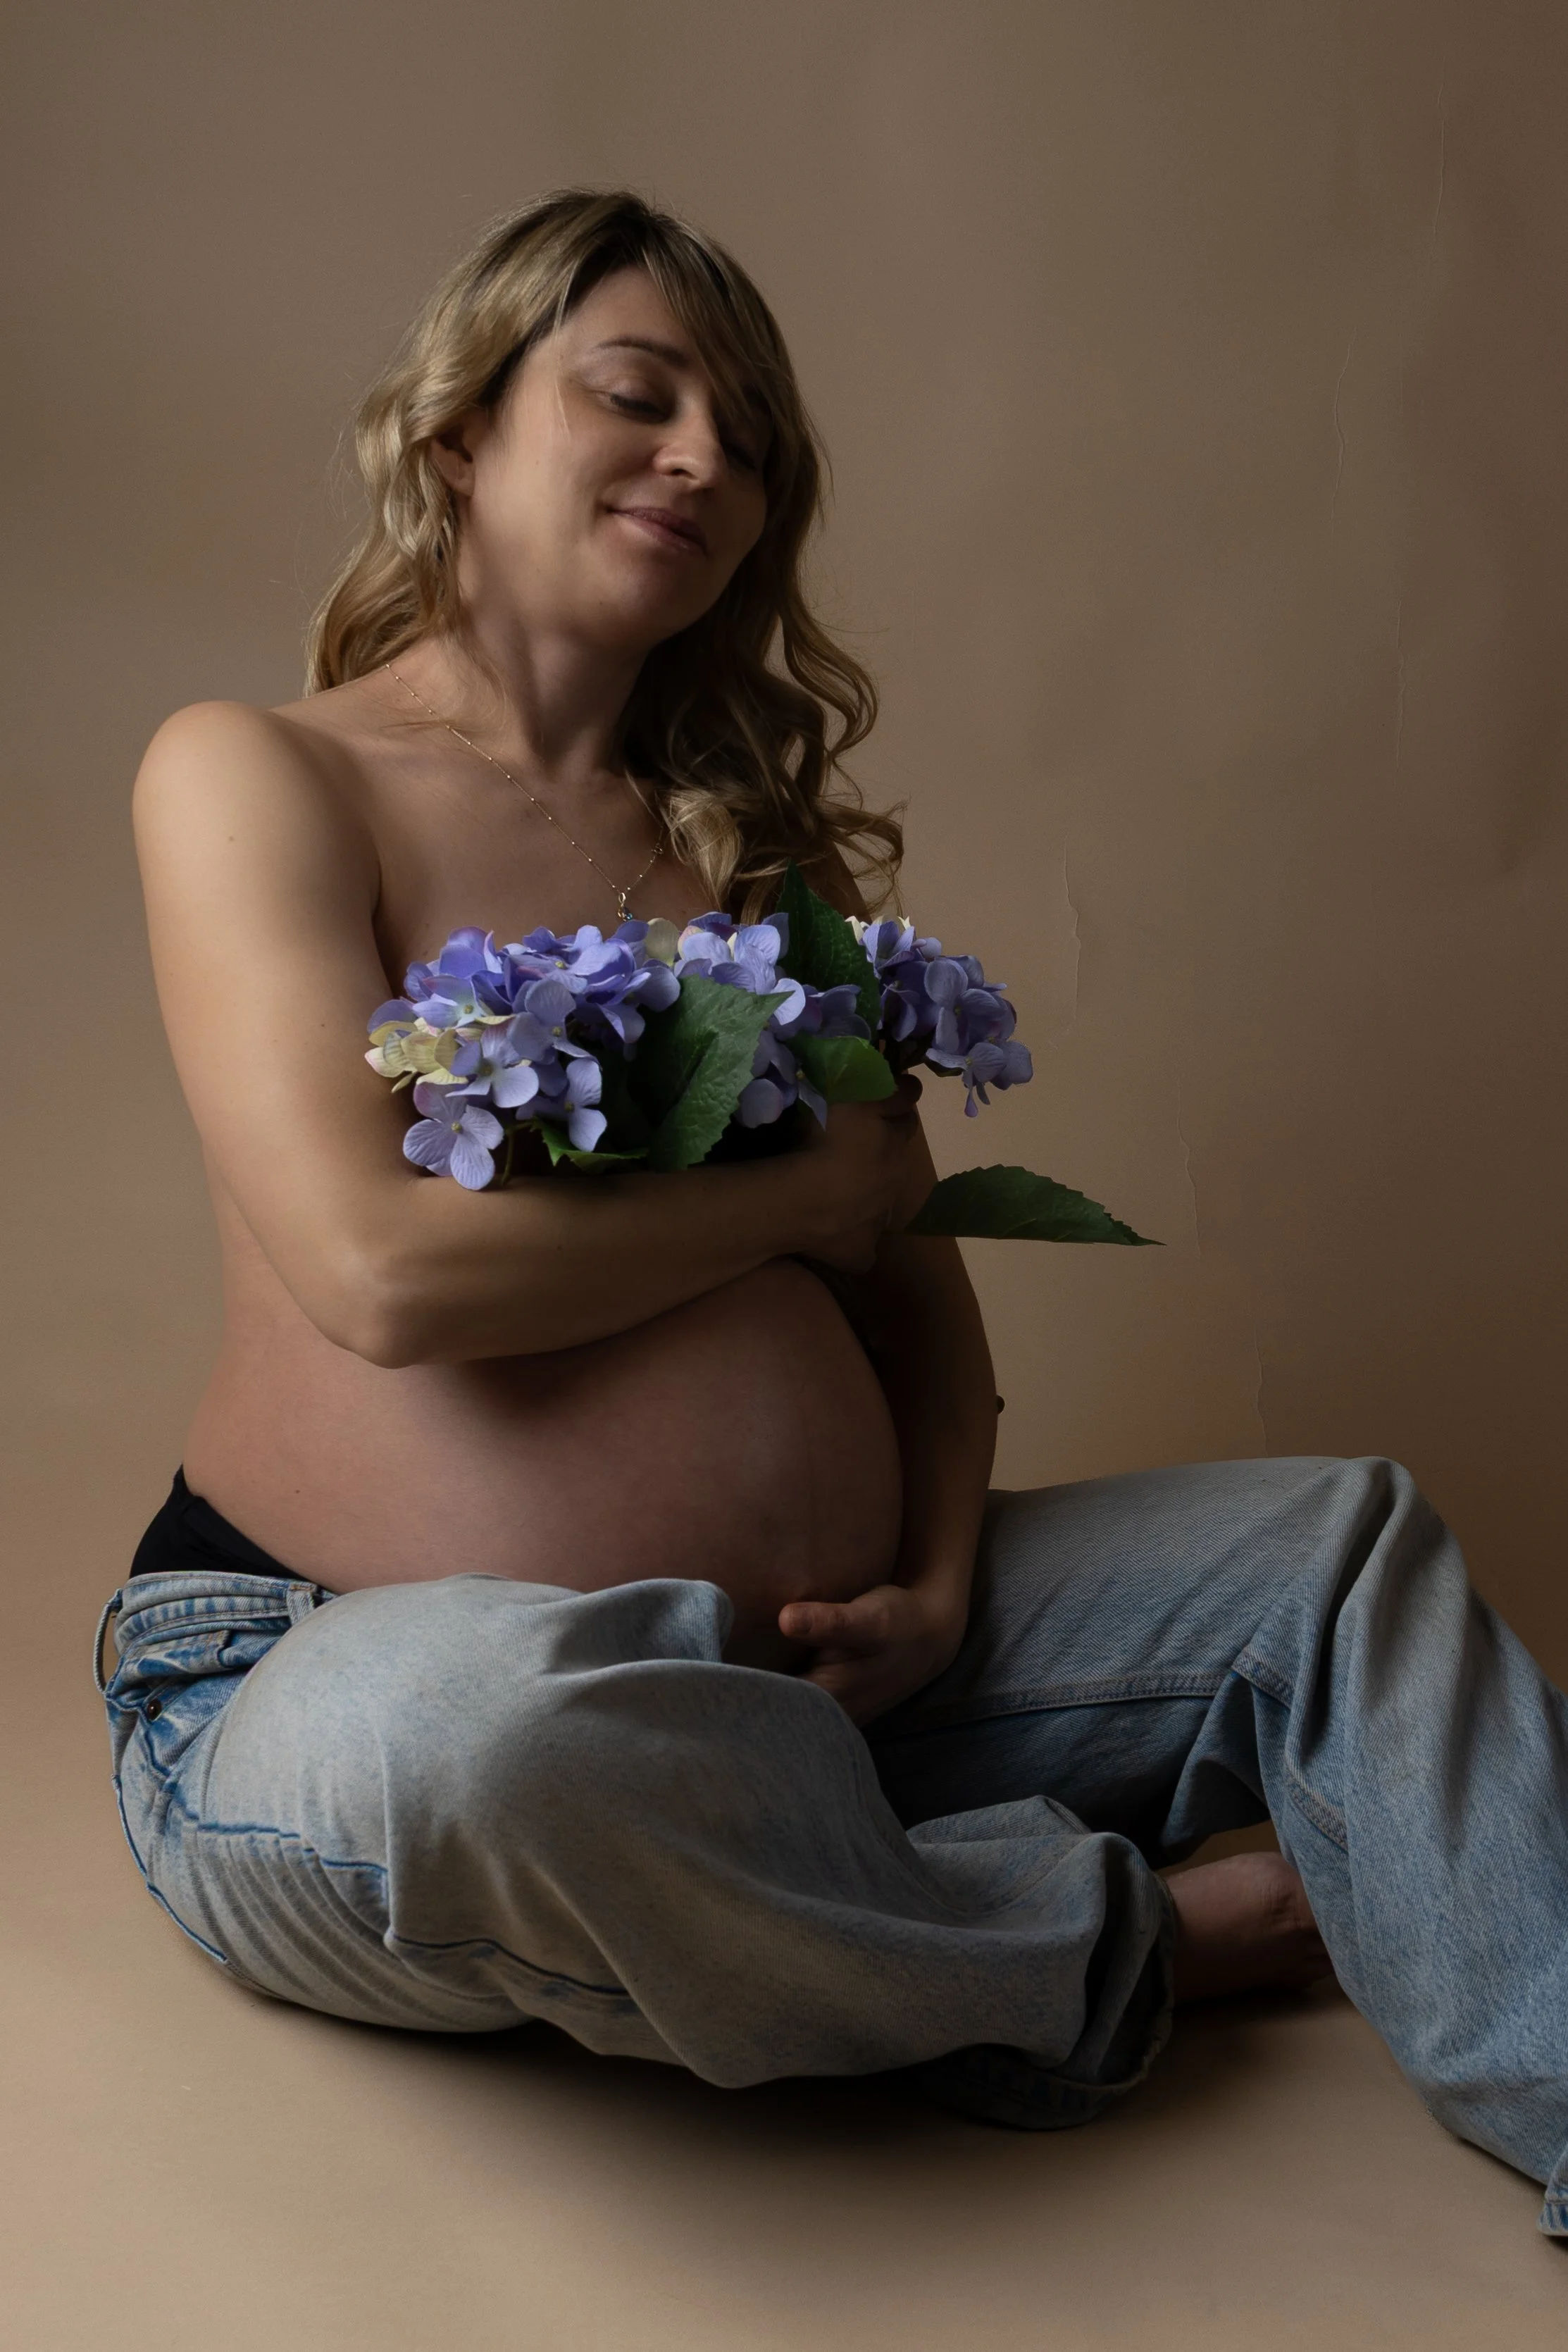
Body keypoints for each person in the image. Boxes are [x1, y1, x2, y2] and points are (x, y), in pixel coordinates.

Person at [99, 188, 1568, 2231]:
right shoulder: (261, 775)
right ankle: (1104, 1934)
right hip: (335, 1687)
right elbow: (383, 1275)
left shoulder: (747, 864)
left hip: (820, 1695)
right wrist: (818, 1195)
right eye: (639, 393)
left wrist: (948, 1582)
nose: (707, 453)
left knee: (1341, 1550)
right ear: (458, 438)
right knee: (493, 1743)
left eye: (753, 436)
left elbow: (915, 1304)